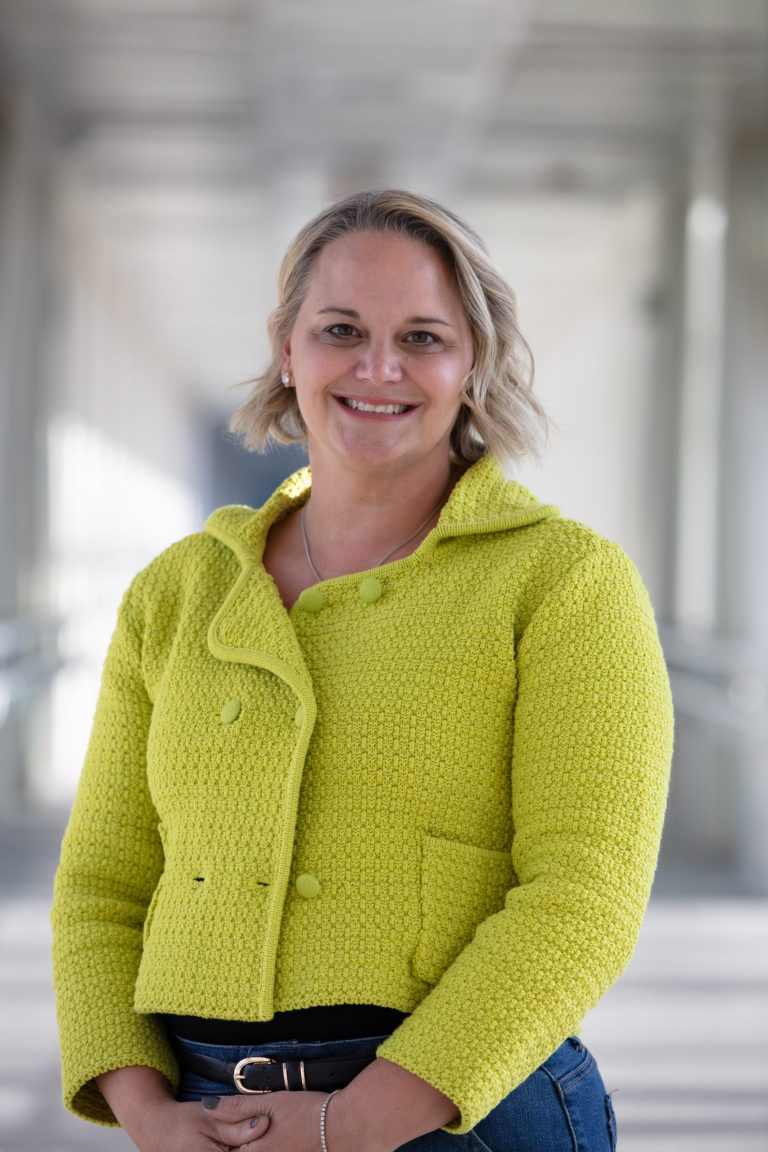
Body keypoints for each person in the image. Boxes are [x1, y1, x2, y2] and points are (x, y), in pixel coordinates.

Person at [51, 188, 674, 1152]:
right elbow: (102, 883)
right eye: (341, 328)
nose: (378, 368)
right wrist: (147, 1113)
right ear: (288, 349)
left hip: (462, 1116)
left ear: (475, 364)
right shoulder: (177, 592)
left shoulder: (564, 582)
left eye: (424, 337)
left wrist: (358, 1122)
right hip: (205, 1121)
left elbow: (584, 895)